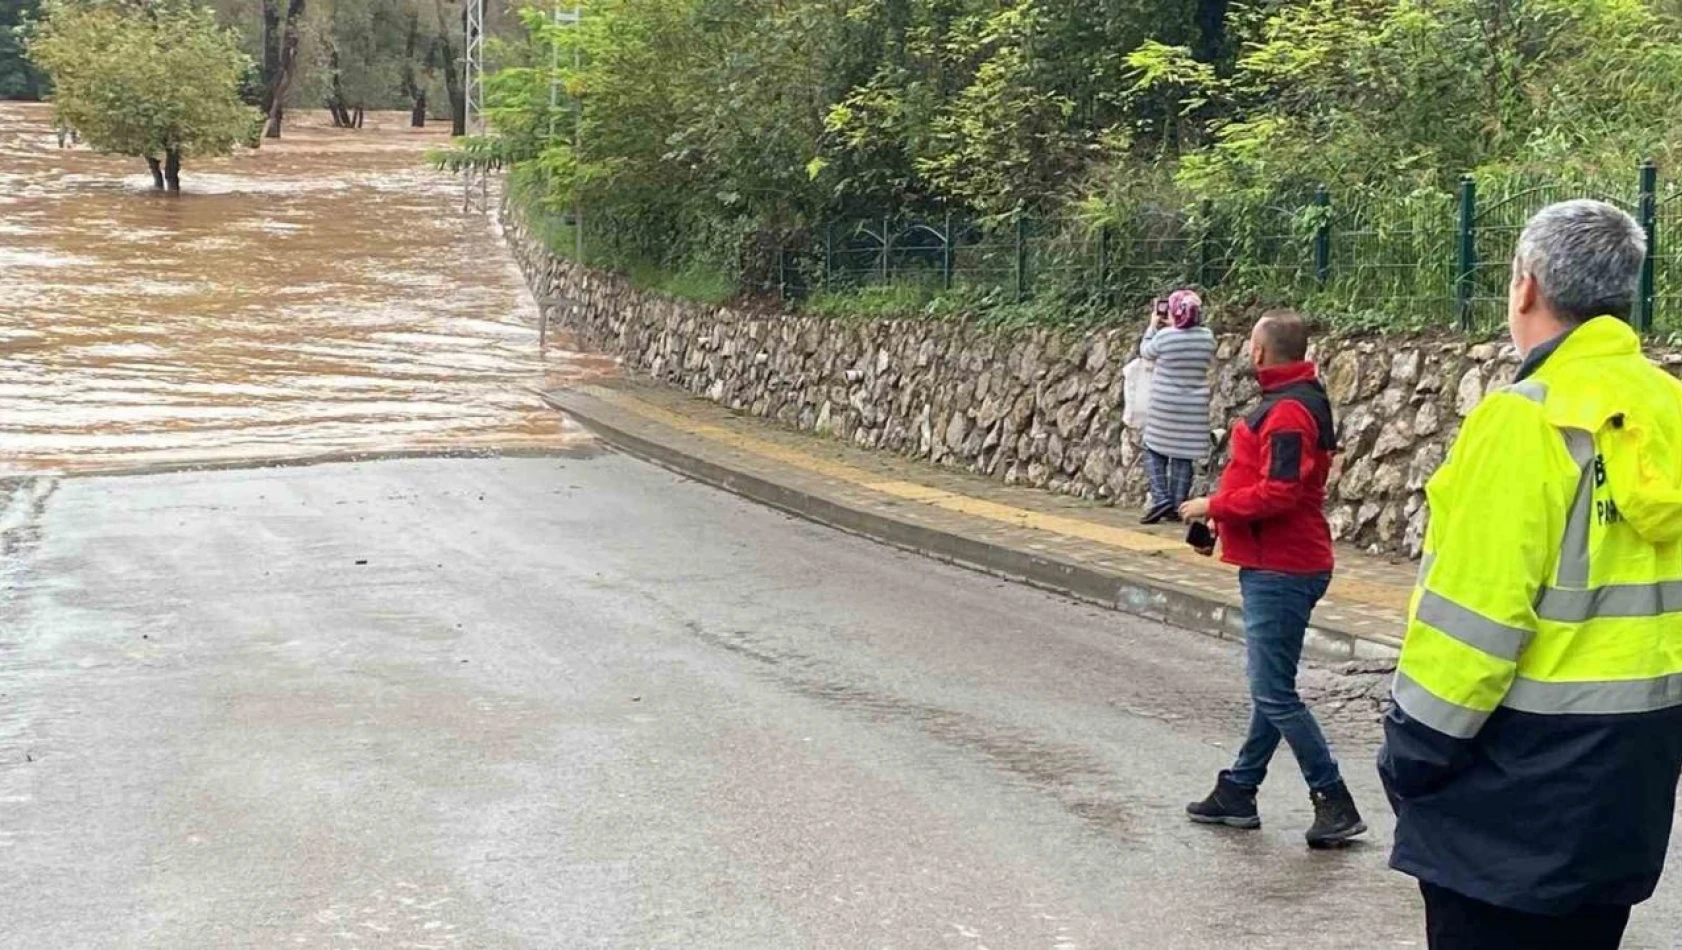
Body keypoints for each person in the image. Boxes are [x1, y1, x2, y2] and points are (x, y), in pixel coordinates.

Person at [1379, 199, 1682, 949]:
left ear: (1525, 286)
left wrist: (1411, 752)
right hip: (1630, 783)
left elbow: (1473, 624)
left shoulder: (1526, 420)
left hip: (1510, 793)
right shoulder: (1669, 409)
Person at [1178, 310, 1366, 848]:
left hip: (1283, 566)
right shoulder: (1298, 400)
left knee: (1274, 691)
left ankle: (1334, 800)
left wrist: (1212, 504)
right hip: (1280, 560)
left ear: (1260, 353)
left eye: (1249, 345)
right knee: (1273, 688)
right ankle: (1238, 790)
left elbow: (1280, 492)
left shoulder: (1287, 413)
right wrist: (1225, 514)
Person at [1139, 289, 1216, 524]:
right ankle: (1177, 505)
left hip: (1165, 405)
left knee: (1153, 449)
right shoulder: (1206, 337)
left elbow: (1145, 352)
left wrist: (1153, 326)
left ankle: (1161, 498)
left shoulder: (1164, 337)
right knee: (1183, 456)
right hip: (1194, 407)